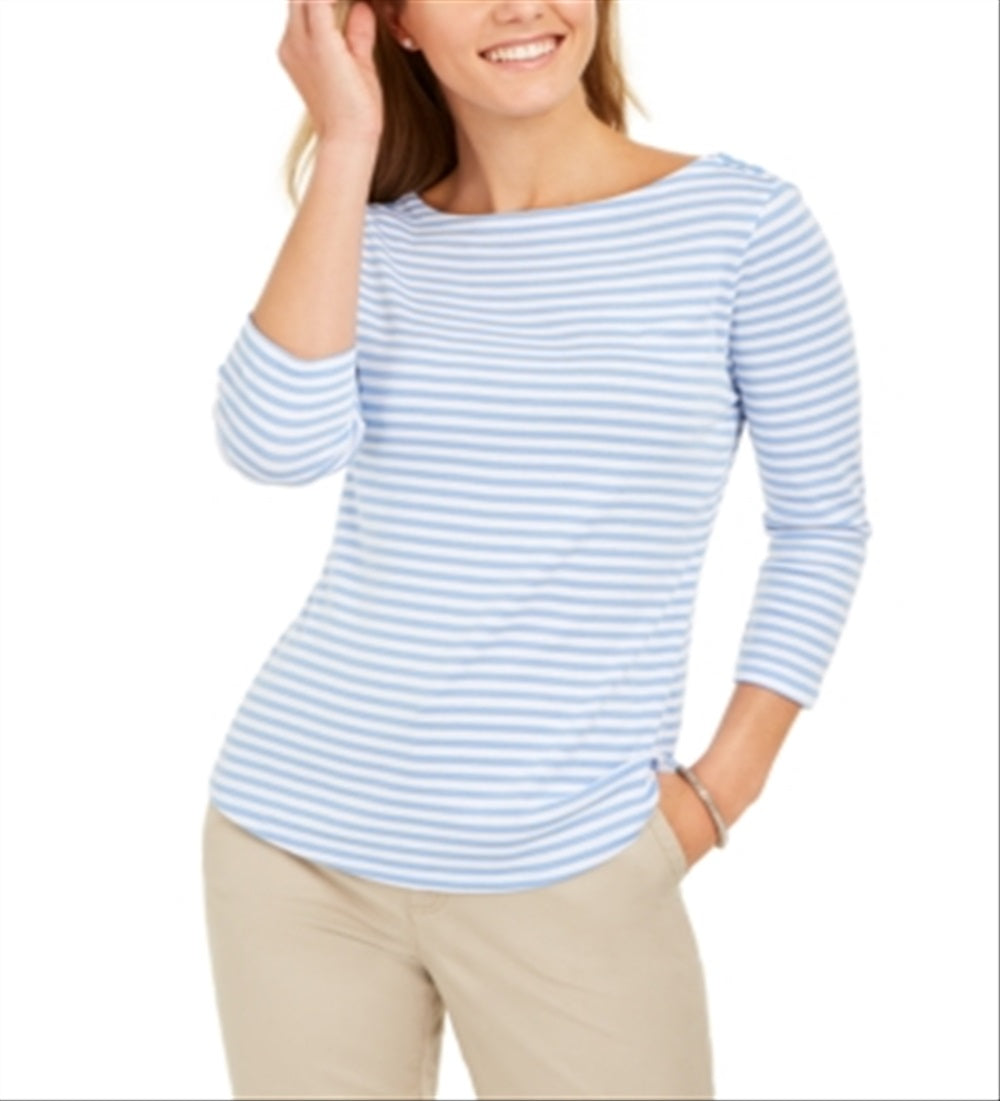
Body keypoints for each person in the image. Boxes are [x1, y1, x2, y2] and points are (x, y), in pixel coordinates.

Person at [201, 1, 873, 1098]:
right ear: (396, 23)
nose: (519, 5)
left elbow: (820, 525)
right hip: (297, 843)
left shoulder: (740, 227)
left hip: (572, 859)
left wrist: (717, 794)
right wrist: (348, 143)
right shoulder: (374, 236)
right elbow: (274, 447)